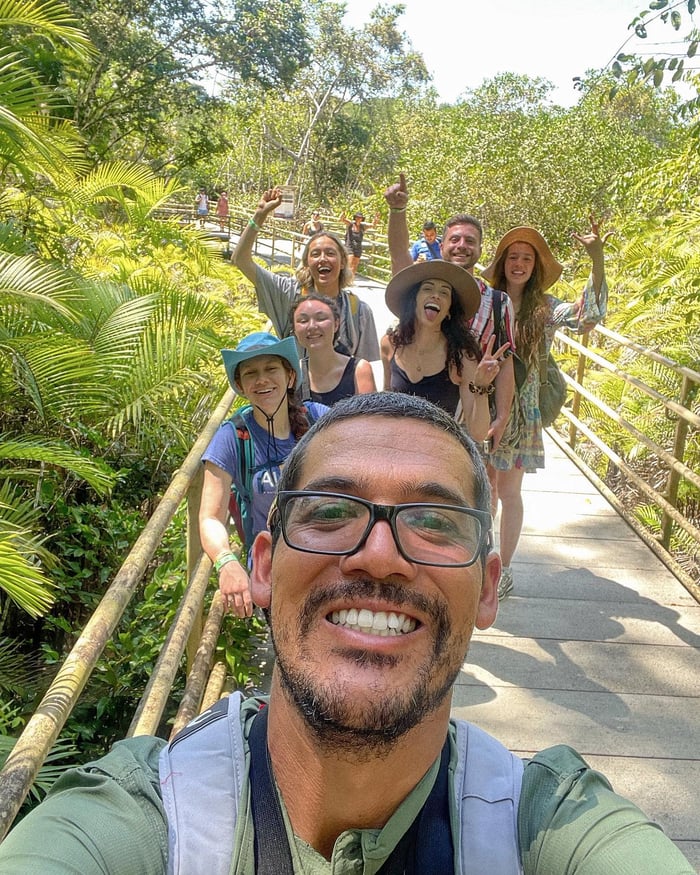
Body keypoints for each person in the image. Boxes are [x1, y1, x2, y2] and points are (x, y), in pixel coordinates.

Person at [0, 393, 694, 874]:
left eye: (433, 520)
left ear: (488, 589)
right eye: (331, 511)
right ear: (265, 566)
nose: (379, 554)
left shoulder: (553, 826)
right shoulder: (144, 813)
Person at [480, 220, 610, 600]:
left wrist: (597, 259)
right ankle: (481, 561)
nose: (519, 264)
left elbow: (588, 317)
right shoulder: (487, 300)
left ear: (536, 267)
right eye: (513, 257)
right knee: (483, 485)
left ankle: (502, 567)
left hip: (523, 412)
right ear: (503, 262)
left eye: (527, 259)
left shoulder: (545, 308)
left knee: (509, 491)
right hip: (482, 403)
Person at [384, 173, 517, 456]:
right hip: (402, 445)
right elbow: (398, 257)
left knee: (486, 488)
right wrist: (397, 212)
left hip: (468, 416)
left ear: (481, 249)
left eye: (470, 241)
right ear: (441, 245)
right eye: (454, 239)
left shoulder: (497, 302)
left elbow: (504, 364)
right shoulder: (419, 291)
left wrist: (501, 416)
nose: (462, 245)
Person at [198, 331, 328, 618]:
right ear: (241, 386)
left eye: (271, 369)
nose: (262, 380)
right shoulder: (232, 438)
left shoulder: (318, 420)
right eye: (251, 373)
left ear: (290, 377)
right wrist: (226, 562)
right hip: (272, 571)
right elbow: (209, 517)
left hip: (327, 560)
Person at [232, 187, 380, 363]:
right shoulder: (288, 294)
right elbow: (240, 259)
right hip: (297, 389)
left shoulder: (359, 311)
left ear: (342, 263)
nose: (323, 259)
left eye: (330, 253)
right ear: (307, 263)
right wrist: (259, 215)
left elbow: (368, 366)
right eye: (315, 254)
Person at [380, 260, 508, 441]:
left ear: (449, 311)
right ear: (414, 300)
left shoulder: (462, 358)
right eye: (427, 288)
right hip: (395, 450)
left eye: (444, 293)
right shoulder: (390, 344)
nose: (435, 296)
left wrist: (482, 386)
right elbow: (385, 402)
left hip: (437, 458)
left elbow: (478, 434)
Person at [291, 292, 376, 405]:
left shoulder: (359, 370)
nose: (312, 326)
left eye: (320, 318)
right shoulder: (293, 375)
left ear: (336, 324)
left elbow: (369, 419)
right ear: (294, 330)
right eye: (303, 321)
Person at [340, 210, 379, 277]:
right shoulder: (351, 224)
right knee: (350, 262)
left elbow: (373, 225)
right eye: (357, 217)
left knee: (355, 264)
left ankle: (351, 279)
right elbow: (342, 219)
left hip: (358, 247)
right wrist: (343, 213)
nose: (358, 219)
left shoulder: (362, 226)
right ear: (355, 218)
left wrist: (376, 219)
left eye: (360, 217)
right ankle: (346, 278)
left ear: (361, 219)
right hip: (350, 246)